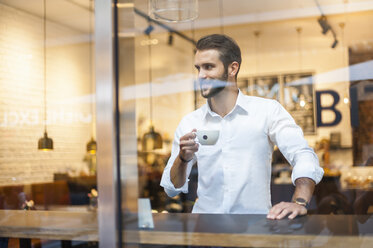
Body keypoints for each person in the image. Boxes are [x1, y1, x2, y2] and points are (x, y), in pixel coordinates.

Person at [160, 34, 324, 219]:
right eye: (198, 68)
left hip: (254, 231)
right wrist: (183, 159)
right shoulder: (190, 122)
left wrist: (299, 202)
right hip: (206, 230)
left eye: (209, 67)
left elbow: (302, 154)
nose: (201, 75)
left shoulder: (267, 111)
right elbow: (171, 188)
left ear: (232, 68)